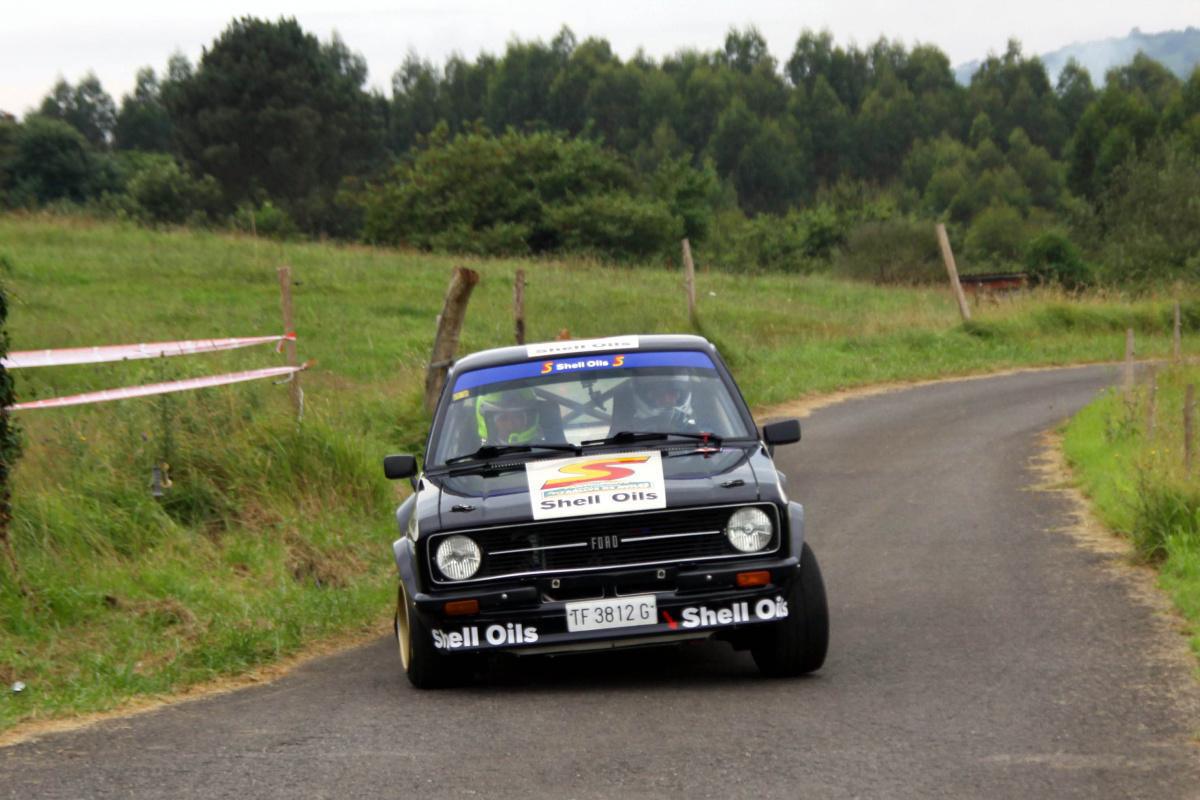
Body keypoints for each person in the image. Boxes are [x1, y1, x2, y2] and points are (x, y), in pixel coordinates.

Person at [475, 388, 542, 445]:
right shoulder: (480, 456)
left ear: (529, 419)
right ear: (490, 422)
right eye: (503, 418)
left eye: (517, 416)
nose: (511, 424)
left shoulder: (544, 448)